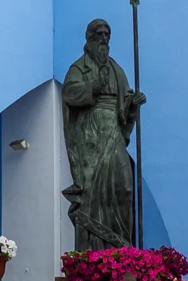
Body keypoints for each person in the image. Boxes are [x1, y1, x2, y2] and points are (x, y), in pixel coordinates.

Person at [61, 19, 145, 252]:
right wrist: (93, 88)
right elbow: (69, 93)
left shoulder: (117, 69)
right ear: (89, 38)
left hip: (113, 132)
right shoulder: (79, 68)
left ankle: (120, 248)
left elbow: (124, 106)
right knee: (92, 194)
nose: (103, 38)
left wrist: (133, 104)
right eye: (99, 33)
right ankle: (93, 250)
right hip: (91, 136)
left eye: (107, 34)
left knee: (125, 187)